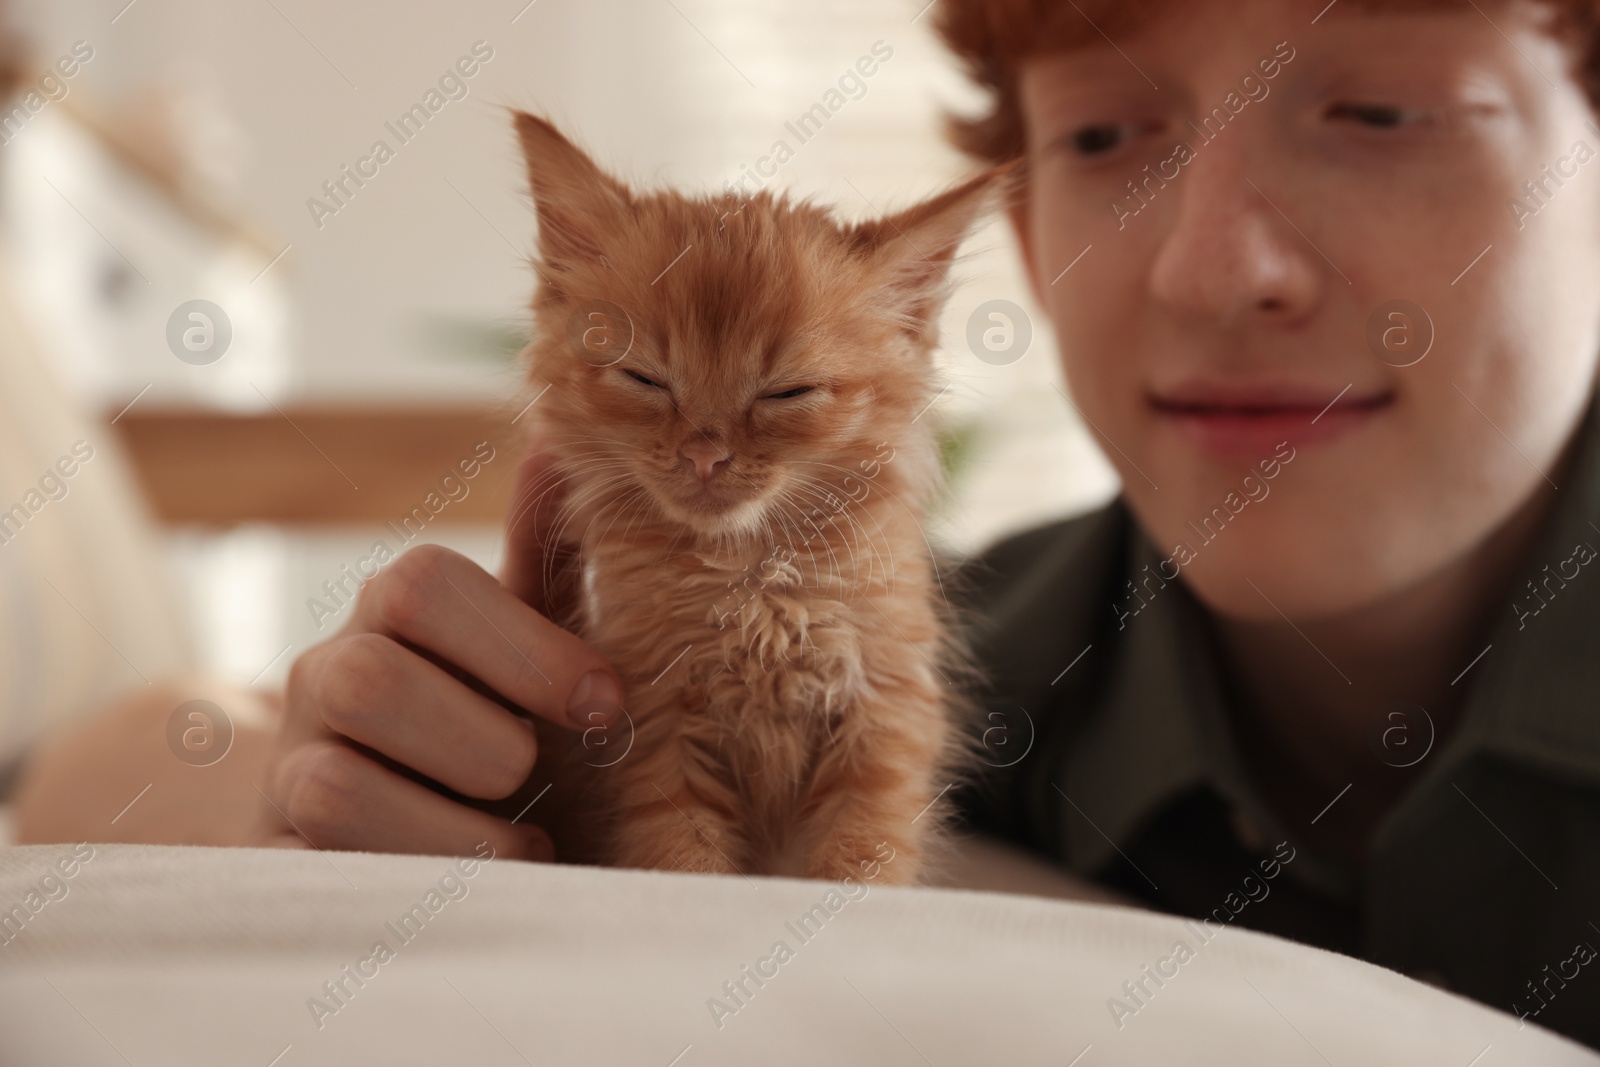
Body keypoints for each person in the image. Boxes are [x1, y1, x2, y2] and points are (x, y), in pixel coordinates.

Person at [12, 0, 1600, 1047]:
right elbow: (88, 764)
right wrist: (314, 765)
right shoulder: (986, 642)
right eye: (1107, 136)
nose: (1214, 265)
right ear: (1022, 227)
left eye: (1386, 113)